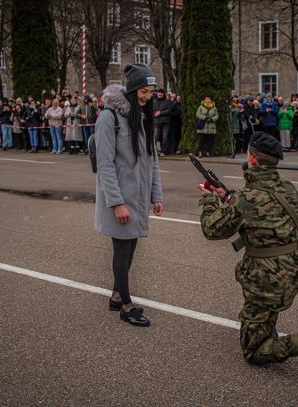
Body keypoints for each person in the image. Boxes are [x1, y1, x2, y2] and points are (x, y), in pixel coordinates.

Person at [198, 132, 298, 383]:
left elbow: (211, 229)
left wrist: (209, 200)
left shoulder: (245, 199)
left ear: (251, 159)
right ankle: (267, 328)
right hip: (290, 270)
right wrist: (228, 198)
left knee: (253, 352)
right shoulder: (288, 189)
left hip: (265, 277)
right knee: (264, 315)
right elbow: (266, 217)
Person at [94, 64, 164, 327]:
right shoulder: (108, 118)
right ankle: (125, 305)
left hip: (136, 200)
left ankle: (115, 295)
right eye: (143, 91)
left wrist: (156, 196)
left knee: (130, 248)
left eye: (150, 91)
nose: (147, 96)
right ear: (133, 90)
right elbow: (105, 165)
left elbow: (152, 161)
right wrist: (117, 203)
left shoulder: (140, 117)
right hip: (120, 201)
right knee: (122, 251)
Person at [152, 88, 172, 155]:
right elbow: (151, 110)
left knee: (165, 137)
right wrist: (154, 113)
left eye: (161, 93)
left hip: (165, 122)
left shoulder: (167, 101)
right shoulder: (154, 101)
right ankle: (154, 151)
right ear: (157, 94)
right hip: (156, 122)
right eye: (158, 92)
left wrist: (161, 112)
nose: (159, 94)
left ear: (163, 94)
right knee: (155, 136)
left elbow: (169, 110)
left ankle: (164, 151)